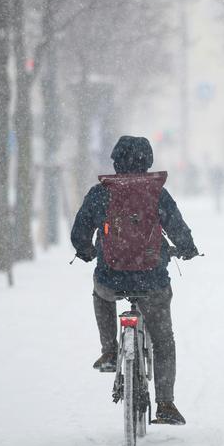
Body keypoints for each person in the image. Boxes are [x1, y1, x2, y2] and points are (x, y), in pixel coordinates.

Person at [71, 136, 199, 425]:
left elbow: (79, 232)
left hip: (111, 277)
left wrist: (87, 250)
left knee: (99, 291)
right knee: (164, 340)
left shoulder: (100, 193)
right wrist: (188, 249)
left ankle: (109, 351)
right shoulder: (156, 194)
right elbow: (177, 227)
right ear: (148, 161)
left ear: (115, 161)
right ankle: (165, 403)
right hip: (152, 280)